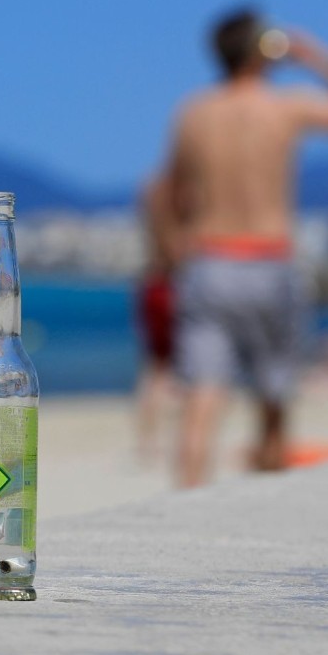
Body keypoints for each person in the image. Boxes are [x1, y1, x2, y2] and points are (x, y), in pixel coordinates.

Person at [146, 7, 328, 487]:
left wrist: (171, 253)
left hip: (209, 261)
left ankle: (183, 514)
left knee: (200, 404)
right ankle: (266, 504)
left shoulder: (194, 112)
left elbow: (163, 192)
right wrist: (314, 57)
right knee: (273, 400)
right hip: (268, 261)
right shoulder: (284, 106)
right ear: (261, 49)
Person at [134, 182, 180, 465]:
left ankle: (147, 442)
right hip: (174, 288)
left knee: (154, 368)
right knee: (185, 369)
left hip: (151, 286)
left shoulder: (151, 197)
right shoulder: (182, 205)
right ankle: (177, 438)